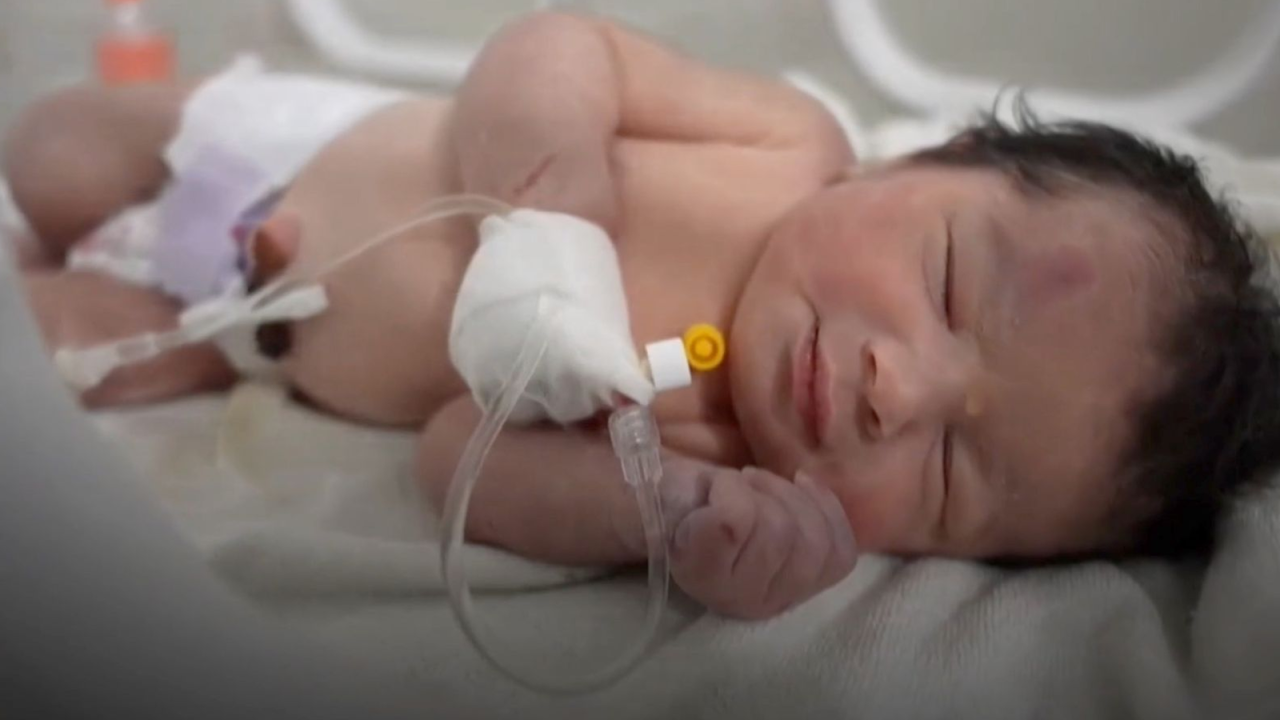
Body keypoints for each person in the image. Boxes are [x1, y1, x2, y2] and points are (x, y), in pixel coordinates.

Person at [6, 11, 1279, 620]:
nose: (903, 391)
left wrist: (658, 518)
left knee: (64, 361)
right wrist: (554, 158)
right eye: (948, 286)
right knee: (54, 146)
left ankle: (104, 304)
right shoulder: (785, 142)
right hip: (281, 157)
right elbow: (563, 43)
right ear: (923, 159)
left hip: (242, 333)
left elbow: (461, 449)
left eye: (951, 472)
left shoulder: (704, 442)